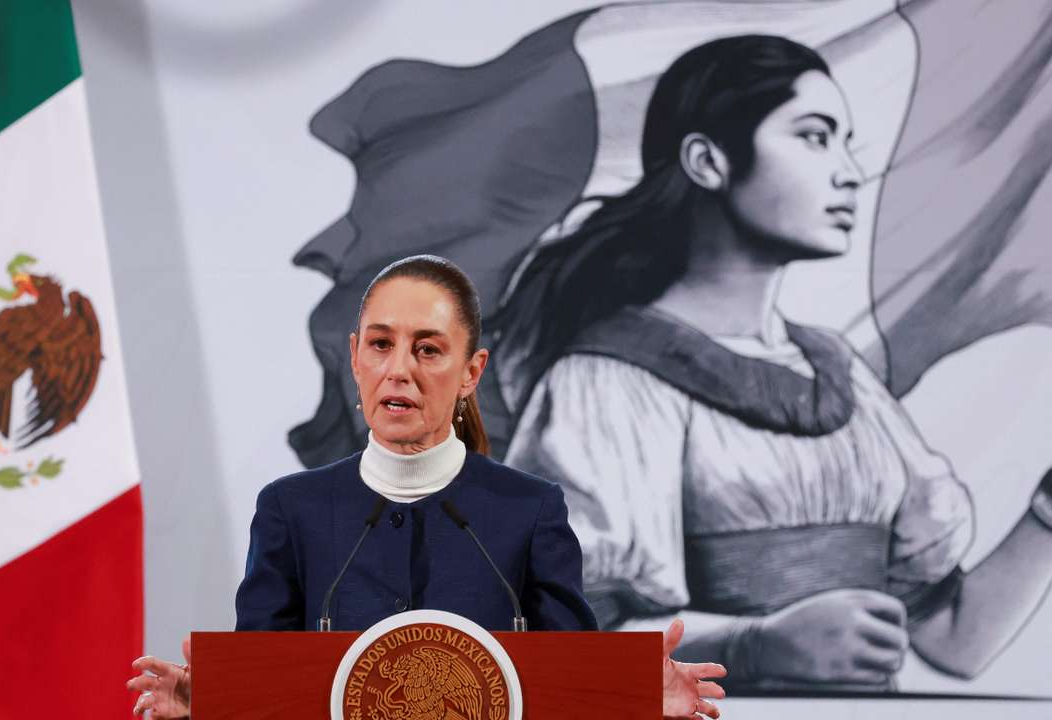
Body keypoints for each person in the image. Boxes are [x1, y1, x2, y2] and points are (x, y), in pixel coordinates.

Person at [499, 34, 1052, 691]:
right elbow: (557, 652)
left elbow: (953, 639)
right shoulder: (606, 382)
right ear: (707, 161)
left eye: (847, 142)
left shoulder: (839, 372)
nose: (848, 170)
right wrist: (753, 646)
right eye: (815, 137)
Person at [128, 255, 728, 718]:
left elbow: (566, 685)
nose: (400, 370)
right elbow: (265, 687)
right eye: (382, 344)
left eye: (429, 350)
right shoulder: (292, 509)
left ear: (472, 372)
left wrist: (629, 695)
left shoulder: (529, 510)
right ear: (356, 357)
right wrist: (209, 704)